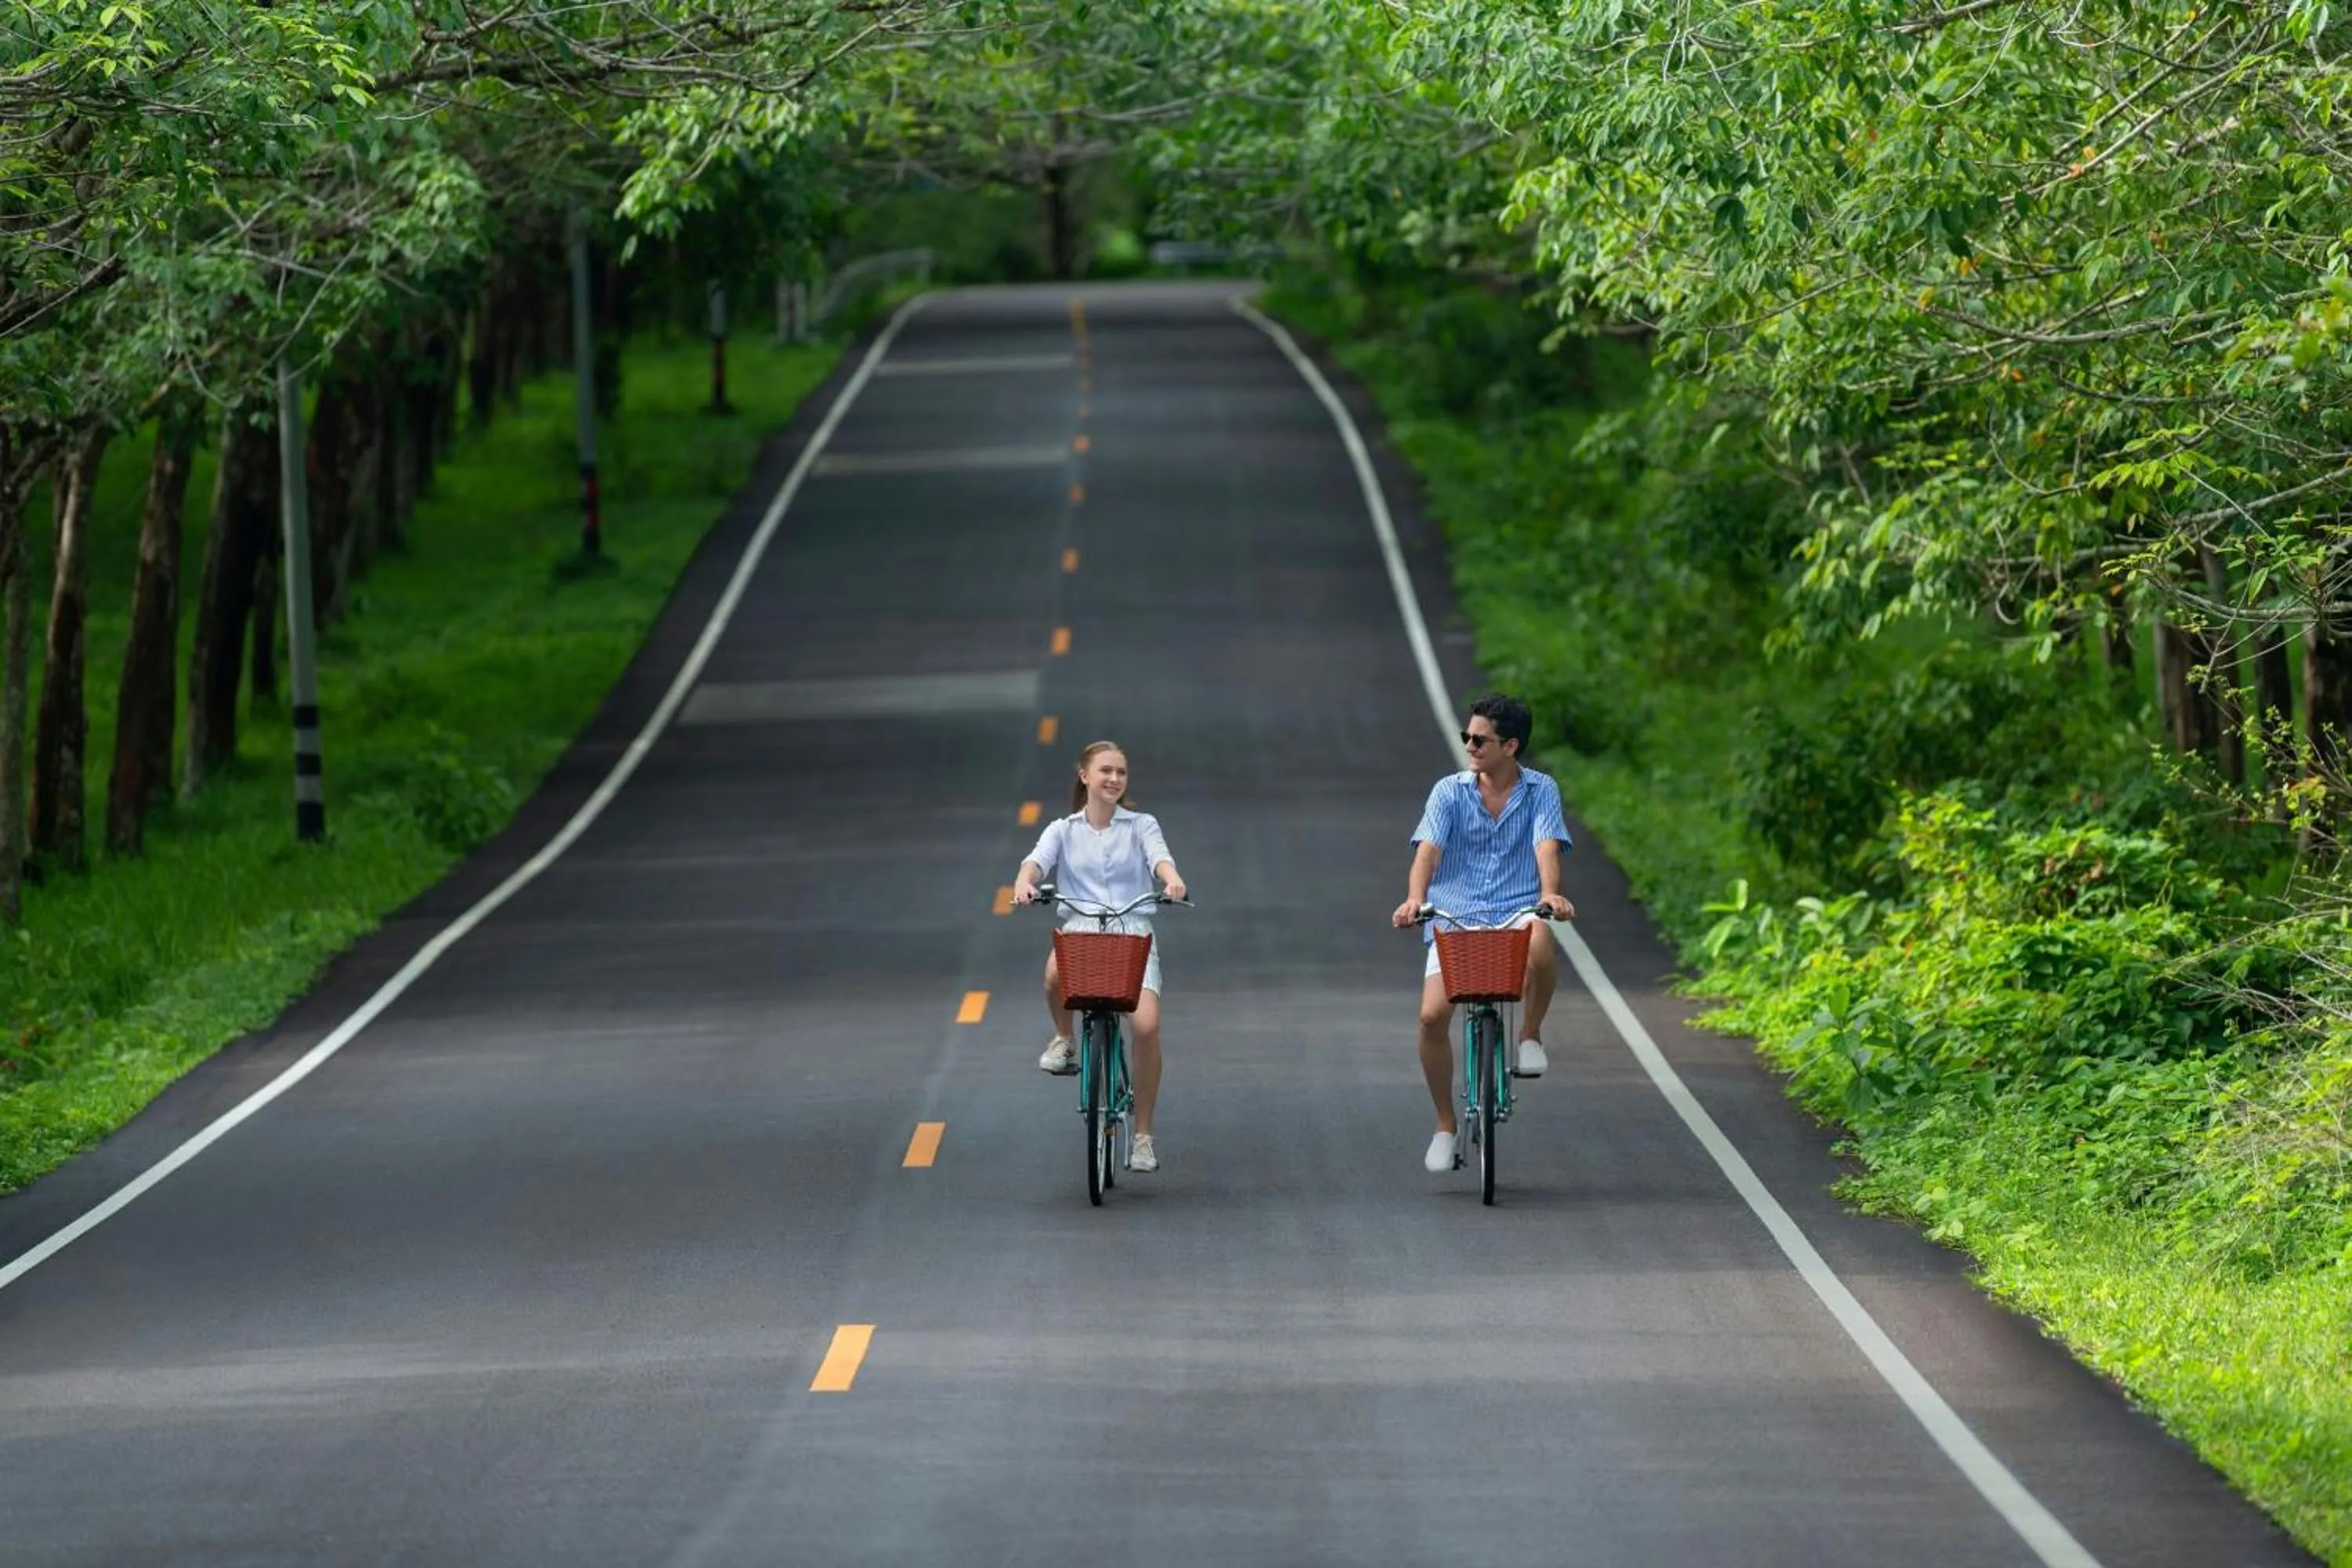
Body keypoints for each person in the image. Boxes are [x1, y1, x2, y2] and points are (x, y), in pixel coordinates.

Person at [1389, 694, 1577, 1174]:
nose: (1470, 746)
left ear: (1510, 746)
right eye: (1466, 737)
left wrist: (1551, 895)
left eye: (1480, 739)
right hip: (1454, 915)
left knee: (1541, 938)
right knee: (1431, 1017)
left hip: (1516, 908)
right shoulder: (1449, 792)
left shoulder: (1541, 791)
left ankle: (1530, 1036)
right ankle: (1445, 1125)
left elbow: (1546, 848)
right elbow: (1427, 854)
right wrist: (1415, 899)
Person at [1012, 740, 1188, 1173]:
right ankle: (1065, 1038)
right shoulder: (1063, 829)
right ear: (1085, 776)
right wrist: (1024, 882)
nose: (1114, 779)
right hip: (1082, 930)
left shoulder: (1141, 825)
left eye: (1121, 773)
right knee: (1055, 970)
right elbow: (1034, 863)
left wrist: (1173, 880)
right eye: (1106, 771)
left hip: (1131, 932)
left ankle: (1143, 1136)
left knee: (1146, 1026)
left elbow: (1161, 860)